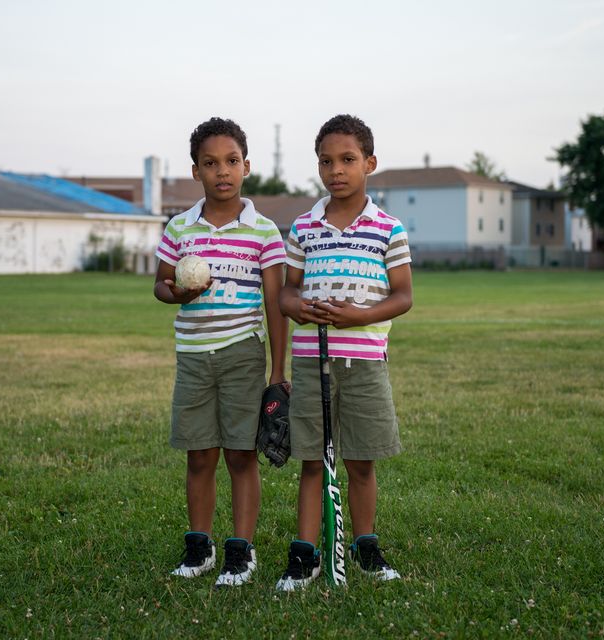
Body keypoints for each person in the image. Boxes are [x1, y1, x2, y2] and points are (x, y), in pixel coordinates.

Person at [276, 114, 413, 591]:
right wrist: (301, 309)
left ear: (369, 163)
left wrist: (360, 315)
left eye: (348, 160)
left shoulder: (388, 228)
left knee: (360, 460)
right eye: (326, 161)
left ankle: (365, 546)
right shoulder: (304, 227)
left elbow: (403, 296)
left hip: (366, 359)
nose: (336, 170)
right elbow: (287, 294)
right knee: (314, 460)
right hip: (314, 361)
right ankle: (305, 554)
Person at [154, 117, 287, 587]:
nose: (222, 171)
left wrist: (278, 370)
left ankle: (240, 551)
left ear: (247, 166)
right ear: (196, 171)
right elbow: (161, 285)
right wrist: (178, 295)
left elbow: (275, 305)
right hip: (193, 355)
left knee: (240, 455)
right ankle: (199, 547)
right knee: (199, 455)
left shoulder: (264, 232)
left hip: (241, 355)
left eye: (231, 161)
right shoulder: (179, 227)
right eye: (210, 163)